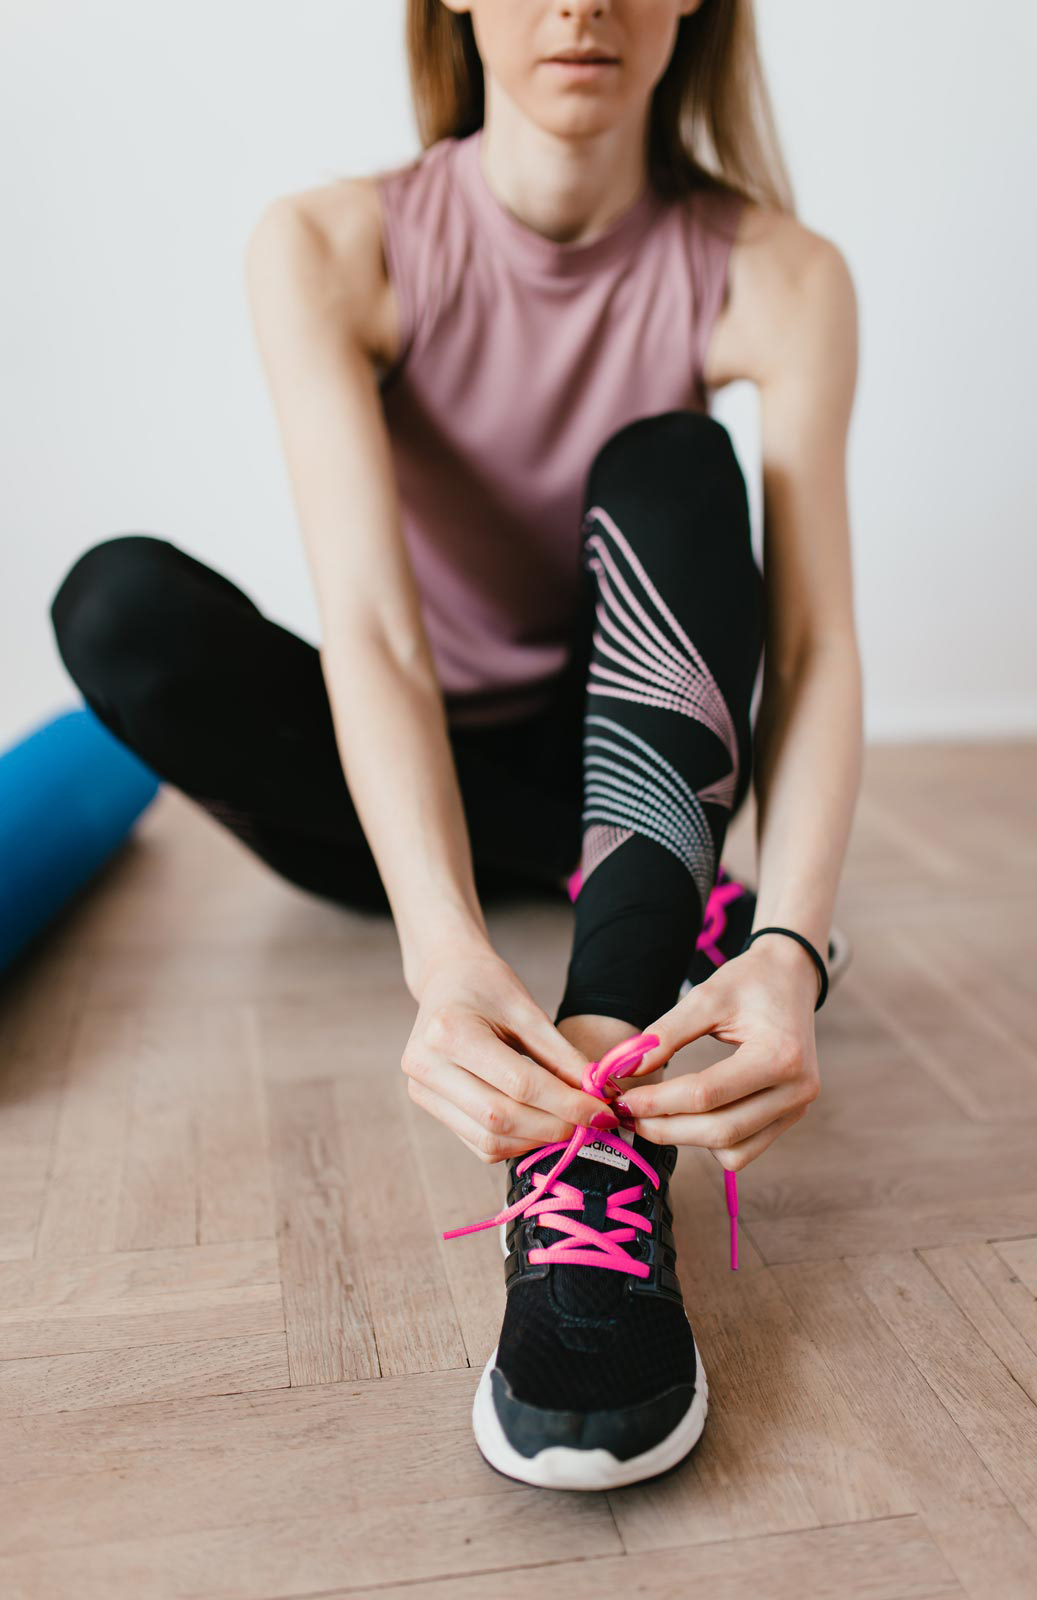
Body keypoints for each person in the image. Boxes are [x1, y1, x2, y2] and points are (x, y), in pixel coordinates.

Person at [49, 0, 863, 1491]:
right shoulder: (326, 243)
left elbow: (810, 649)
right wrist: (442, 956)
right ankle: (632, 892)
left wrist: (795, 946)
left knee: (679, 461)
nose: (581, 5)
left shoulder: (782, 273)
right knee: (121, 610)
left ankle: (602, 1103)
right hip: (405, 795)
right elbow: (371, 632)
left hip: (634, 754)